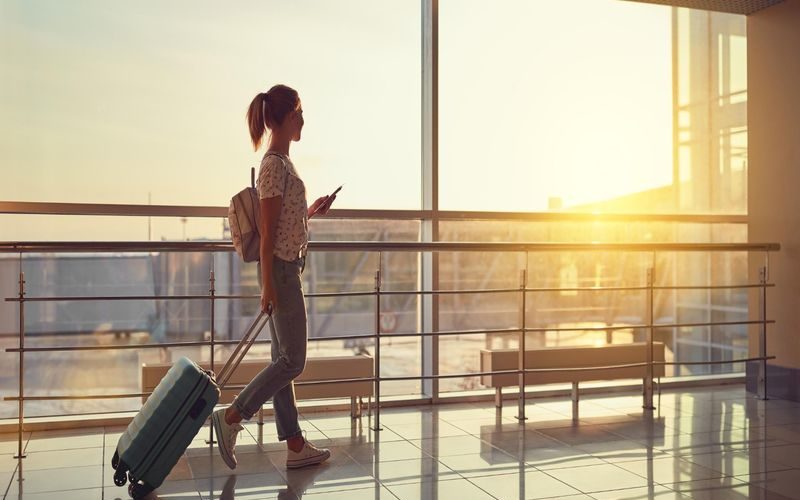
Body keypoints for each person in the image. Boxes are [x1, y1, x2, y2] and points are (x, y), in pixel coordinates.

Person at [212, 84, 335, 470]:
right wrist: (267, 286)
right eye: (298, 112)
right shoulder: (272, 167)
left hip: (284, 268)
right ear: (281, 118)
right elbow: (266, 236)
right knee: (292, 362)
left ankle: (295, 445)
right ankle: (232, 417)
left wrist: (310, 212)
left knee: (282, 360)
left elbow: (281, 225)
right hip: (280, 273)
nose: (303, 119)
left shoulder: (282, 163)